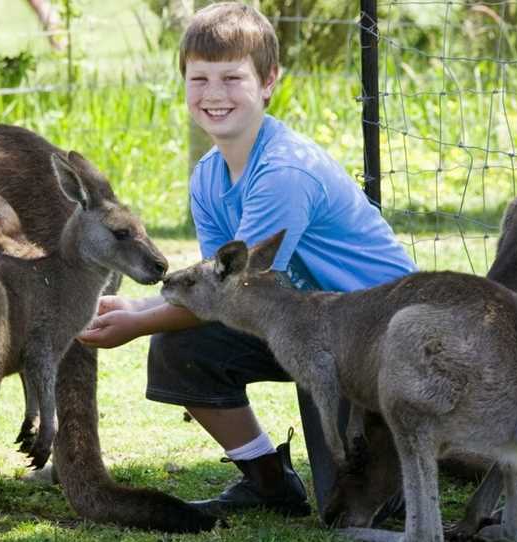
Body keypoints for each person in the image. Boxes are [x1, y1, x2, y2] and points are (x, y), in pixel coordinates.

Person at [78, 1, 417, 518]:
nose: (214, 94)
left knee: (350, 507)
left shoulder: (284, 171)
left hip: (376, 337)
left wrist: (135, 321)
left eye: (232, 77)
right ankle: (267, 481)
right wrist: (140, 316)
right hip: (300, 326)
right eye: (200, 79)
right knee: (182, 347)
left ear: (268, 81)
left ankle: (428, 462)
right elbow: (218, 290)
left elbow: (229, 292)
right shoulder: (208, 176)